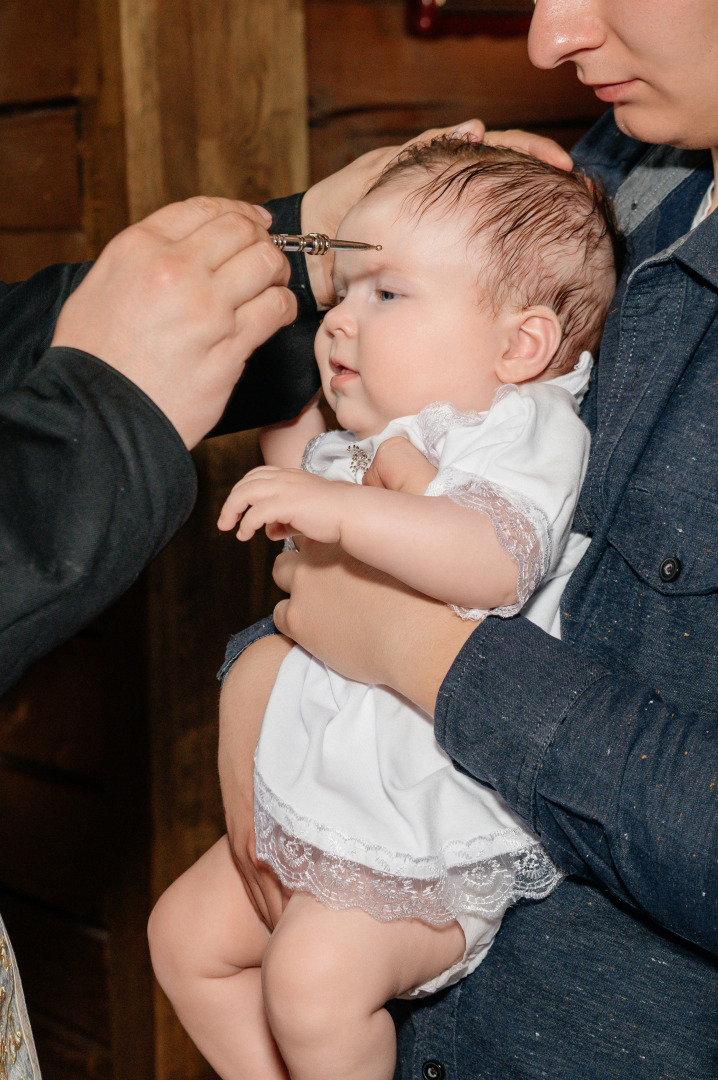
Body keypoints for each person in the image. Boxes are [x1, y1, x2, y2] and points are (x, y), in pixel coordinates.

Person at [213, 3, 718, 1078]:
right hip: (380, 901)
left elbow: (463, 565)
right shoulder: (609, 177)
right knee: (197, 944)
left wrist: (423, 656)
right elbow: (349, 499)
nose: (546, 41)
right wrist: (260, 667)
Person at [147, 139, 618, 1080]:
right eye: (344, 293)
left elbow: (494, 561)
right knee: (184, 938)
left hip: (425, 818)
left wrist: (339, 508)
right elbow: (308, 490)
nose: (342, 321)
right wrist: (293, 426)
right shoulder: (390, 426)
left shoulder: (518, 427)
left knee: (312, 985)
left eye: (387, 293)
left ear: (519, 346)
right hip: (327, 787)